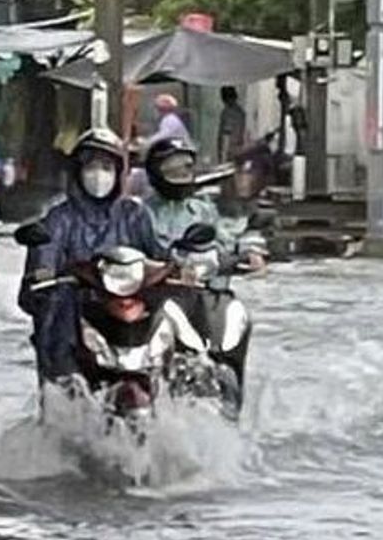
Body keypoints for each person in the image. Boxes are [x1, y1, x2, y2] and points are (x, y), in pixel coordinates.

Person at [18, 128, 167, 384]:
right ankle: (62, 384)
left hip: (126, 309)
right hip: (76, 312)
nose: (99, 175)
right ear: (77, 172)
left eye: (107, 167)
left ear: (119, 173)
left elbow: (158, 257)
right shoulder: (59, 218)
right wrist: (44, 278)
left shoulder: (135, 214)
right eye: (90, 167)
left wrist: (180, 266)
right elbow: (42, 264)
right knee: (56, 311)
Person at [143, 137, 265, 269]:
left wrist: (248, 250)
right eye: (172, 170)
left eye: (187, 168)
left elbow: (225, 240)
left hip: (197, 278)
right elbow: (124, 252)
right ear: (156, 171)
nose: (182, 175)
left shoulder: (201, 209)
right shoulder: (140, 212)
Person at [218, 86, 247, 165]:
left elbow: (226, 136)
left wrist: (223, 156)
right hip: (237, 149)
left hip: (231, 150)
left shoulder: (228, 113)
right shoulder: (241, 112)